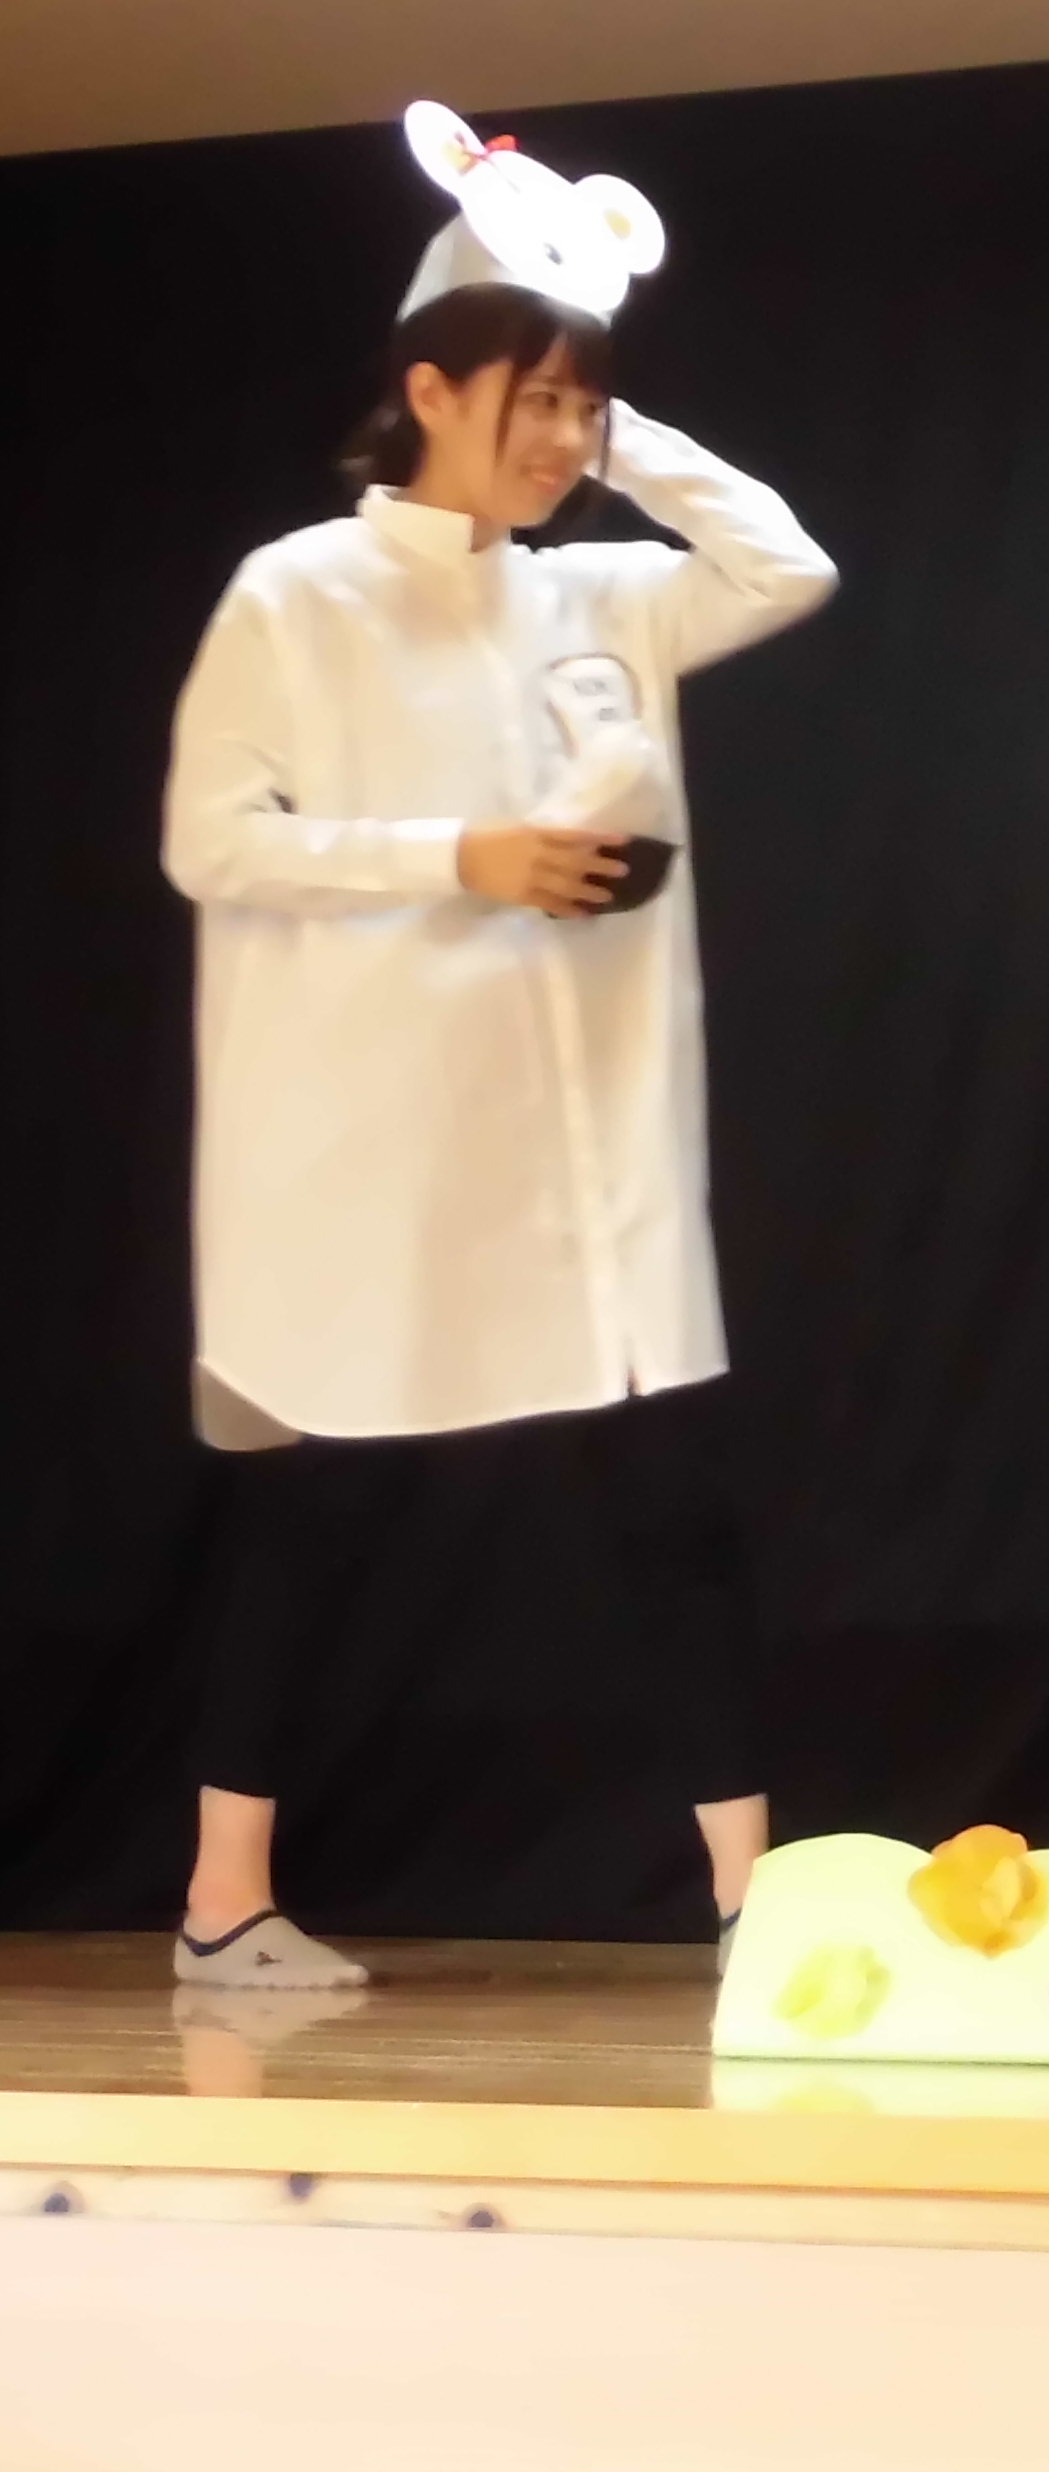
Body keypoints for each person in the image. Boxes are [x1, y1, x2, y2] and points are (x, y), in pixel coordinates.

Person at [160, 104, 837, 1988]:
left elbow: (785, 564)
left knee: (673, 1508)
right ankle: (223, 1902)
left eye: (581, 407)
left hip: (587, 1156)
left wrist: (615, 429)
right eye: (530, 401)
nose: (558, 439)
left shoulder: (599, 590)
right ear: (428, 389)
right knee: (309, 1509)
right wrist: (461, 857)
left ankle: (753, 1903)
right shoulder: (299, 589)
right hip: (375, 1149)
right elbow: (212, 840)